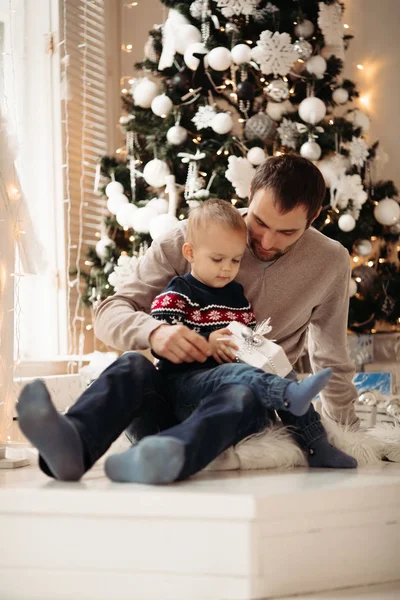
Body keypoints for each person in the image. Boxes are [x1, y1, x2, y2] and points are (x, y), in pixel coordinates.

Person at [16, 155, 359, 482]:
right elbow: (110, 312)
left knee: (242, 394)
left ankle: (167, 456)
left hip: (236, 407)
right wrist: (155, 332)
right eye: (260, 222)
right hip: (171, 393)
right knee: (133, 366)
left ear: (313, 219)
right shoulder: (191, 237)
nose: (267, 241)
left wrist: (350, 437)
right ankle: (71, 445)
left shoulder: (330, 262)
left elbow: (331, 356)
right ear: (249, 196)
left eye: (287, 233)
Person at [103, 199, 335, 484]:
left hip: (223, 389)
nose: (227, 268)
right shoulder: (178, 292)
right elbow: (165, 345)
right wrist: (207, 344)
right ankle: (286, 393)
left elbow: (248, 342)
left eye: (235, 260)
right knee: (239, 374)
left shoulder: (237, 297)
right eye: (217, 259)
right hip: (185, 384)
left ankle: (315, 440)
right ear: (189, 252)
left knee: (271, 366)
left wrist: (254, 348)